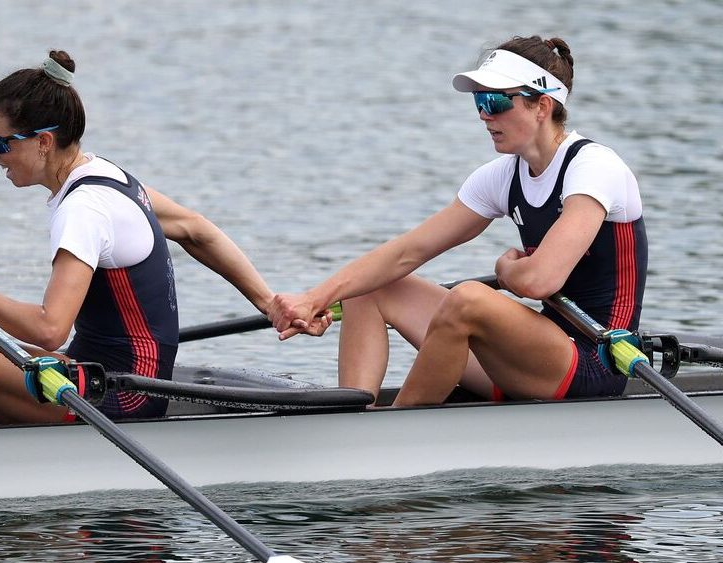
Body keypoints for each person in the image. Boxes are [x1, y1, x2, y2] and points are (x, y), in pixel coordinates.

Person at [0, 51, 276, 432]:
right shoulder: (104, 175)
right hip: (91, 372)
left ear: (43, 141)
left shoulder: (83, 209)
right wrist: (269, 302)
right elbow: (198, 229)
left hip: (124, 397)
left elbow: (49, 329)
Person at [267, 36, 648, 406]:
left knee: (469, 297)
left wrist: (505, 269)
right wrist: (315, 298)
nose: (484, 114)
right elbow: (406, 252)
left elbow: (538, 280)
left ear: (542, 106)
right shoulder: (502, 176)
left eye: (496, 100)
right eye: (479, 101)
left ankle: (396, 428)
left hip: (595, 362)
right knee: (370, 287)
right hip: (533, 356)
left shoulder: (594, 168)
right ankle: (352, 416)